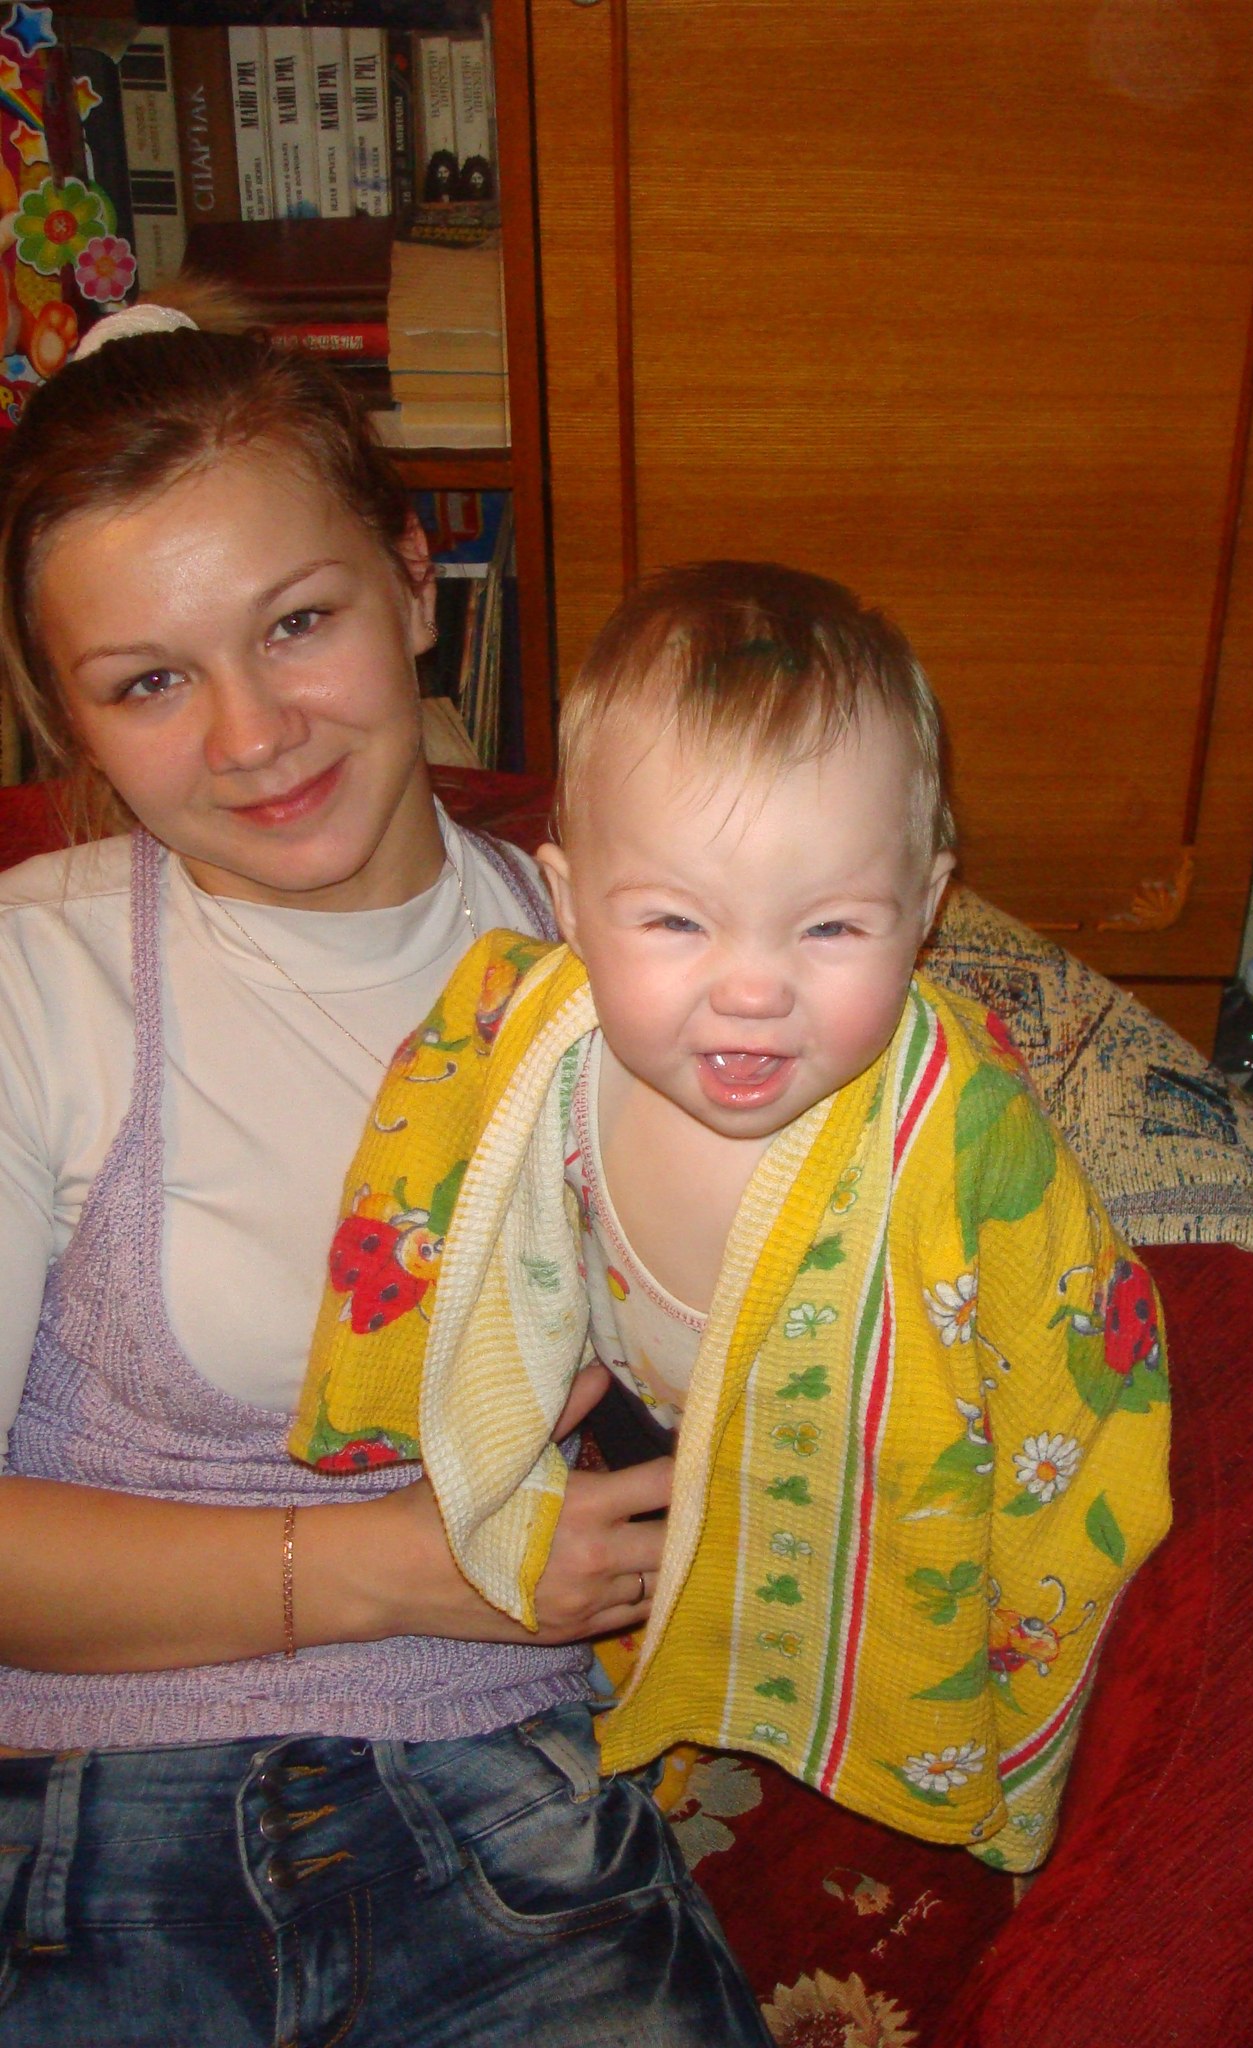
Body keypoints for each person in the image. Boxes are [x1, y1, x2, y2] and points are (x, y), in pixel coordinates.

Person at [0, 301, 772, 2045]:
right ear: (72, 723)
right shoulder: (35, 979)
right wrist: (404, 1572)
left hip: (505, 1814)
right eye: (147, 682)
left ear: (419, 585)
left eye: (297, 623)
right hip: (80, 1838)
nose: (251, 735)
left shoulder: (620, 972)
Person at [292, 562, 1174, 1871]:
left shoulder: (964, 1131)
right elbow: (421, 1174)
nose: (752, 990)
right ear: (567, 903)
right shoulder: (520, 1036)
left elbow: (1076, 1366)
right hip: (643, 1417)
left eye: (830, 928)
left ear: (926, 909)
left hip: (870, 1459)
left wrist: (1034, 1605)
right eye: (674, 920)